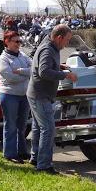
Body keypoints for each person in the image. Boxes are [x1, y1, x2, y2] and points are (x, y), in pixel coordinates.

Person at [26, 24, 78, 174]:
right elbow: (43, 72)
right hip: (40, 95)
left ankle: (35, 158)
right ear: (59, 37)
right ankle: (44, 165)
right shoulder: (48, 50)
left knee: (38, 128)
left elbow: (45, 66)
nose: (67, 44)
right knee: (48, 129)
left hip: (37, 93)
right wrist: (66, 75)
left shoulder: (49, 45)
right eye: (66, 40)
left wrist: (59, 66)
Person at [0, 31, 32, 163]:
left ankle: (22, 151)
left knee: (22, 126)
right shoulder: (2, 58)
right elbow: (10, 77)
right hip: (9, 95)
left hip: (24, 95)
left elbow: (34, 68)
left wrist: (22, 71)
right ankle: (10, 153)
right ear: (7, 42)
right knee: (10, 125)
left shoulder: (23, 55)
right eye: (16, 41)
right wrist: (26, 74)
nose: (19, 44)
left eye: (20, 41)